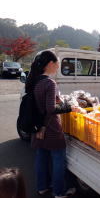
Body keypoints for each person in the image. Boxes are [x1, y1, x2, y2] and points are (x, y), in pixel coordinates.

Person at [25, 51, 81, 198]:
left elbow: (40, 103)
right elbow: (50, 109)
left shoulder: (33, 80)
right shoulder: (49, 82)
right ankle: (59, 192)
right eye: (57, 64)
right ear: (50, 64)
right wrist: (71, 107)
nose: (58, 67)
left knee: (41, 157)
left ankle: (42, 187)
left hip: (37, 127)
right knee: (58, 160)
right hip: (50, 127)